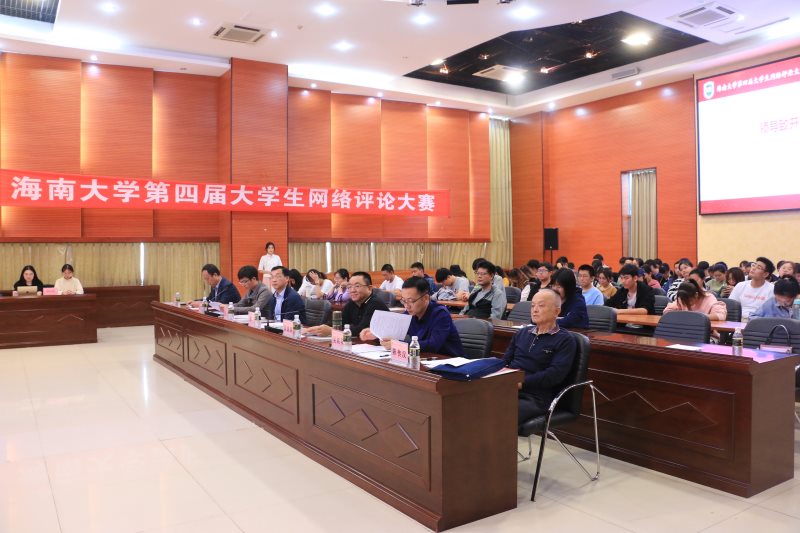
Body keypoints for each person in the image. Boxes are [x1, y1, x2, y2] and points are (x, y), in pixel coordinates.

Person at [503, 290, 577, 424]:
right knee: (475, 402)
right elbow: (505, 361)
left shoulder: (565, 340)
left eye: (541, 306)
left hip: (535, 397)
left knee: (500, 413)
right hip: (509, 387)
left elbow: (554, 375)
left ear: (556, 311)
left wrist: (521, 382)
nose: (535, 310)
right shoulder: (522, 333)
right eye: (532, 306)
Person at [364, 277, 464, 357]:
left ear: (426, 298)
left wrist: (398, 345)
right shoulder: (409, 313)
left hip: (450, 363)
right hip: (424, 359)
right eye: (404, 301)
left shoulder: (440, 314)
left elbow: (433, 345)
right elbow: (394, 331)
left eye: (411, 301)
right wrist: (376, 332)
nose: (406, 306)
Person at [309, 272, 389, 338]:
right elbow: (341, 322)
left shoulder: (375, 304)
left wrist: (332, 331)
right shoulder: (352, 302)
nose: (352, 290)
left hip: (379, 346)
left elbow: (360, 330)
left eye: (357, 286)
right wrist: (318, 328)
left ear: (369, 288)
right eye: (349, 286)